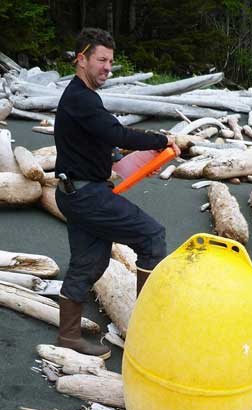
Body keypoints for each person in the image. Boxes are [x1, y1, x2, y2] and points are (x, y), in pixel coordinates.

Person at [54, 27, 180, 360]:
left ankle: (68, 337)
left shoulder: (79, 97)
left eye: (110, 61)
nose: (107, 67)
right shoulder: (81, 98)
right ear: (81, 59)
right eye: (101, 59)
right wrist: (161, 141)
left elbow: (98, 141)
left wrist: (130, 161)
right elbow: (115, 132)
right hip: (86, 196)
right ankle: (148, 332)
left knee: (89, 263)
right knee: (152, 236)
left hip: (74, 192)